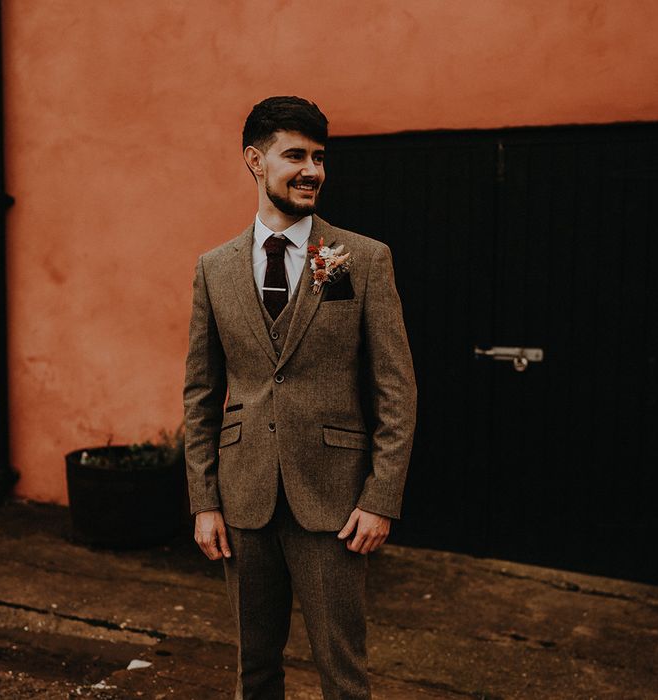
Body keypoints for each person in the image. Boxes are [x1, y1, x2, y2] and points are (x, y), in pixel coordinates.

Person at [183, 95, 416, 700]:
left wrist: (381, 497)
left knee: (343, 672)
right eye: (295, 156)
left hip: (334, 503)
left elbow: (395, 388)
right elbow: (201, 394)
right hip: (244, 499)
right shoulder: (214, 268)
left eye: (319, 157)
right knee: (254, 668)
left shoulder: (362, 259)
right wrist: (205, 500)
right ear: (255, 161)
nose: (312, 170)